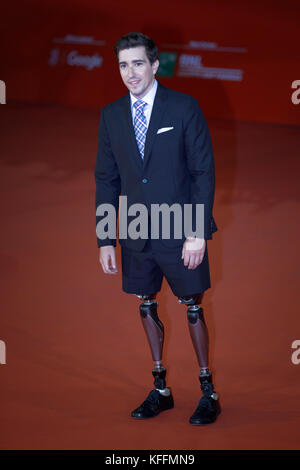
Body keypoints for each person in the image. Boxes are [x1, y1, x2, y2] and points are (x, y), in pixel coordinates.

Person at [94, 32, 220, 425]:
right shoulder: (111, 114)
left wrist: (197, 232)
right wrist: (104, 238)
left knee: (193, 308)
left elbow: (203, 172)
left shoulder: (183, 108)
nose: (130, 73)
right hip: (135, 232)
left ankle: (207, 393)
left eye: (136, 63)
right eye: (122, 64)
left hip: (182, 229)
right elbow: (105, 179)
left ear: (153, 64)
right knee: (145, 304)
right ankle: (161, 390)